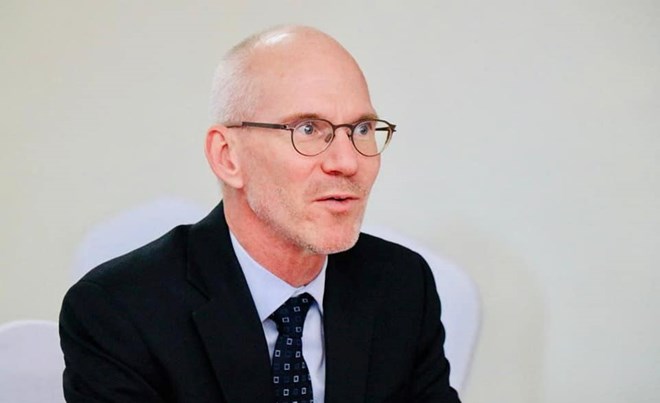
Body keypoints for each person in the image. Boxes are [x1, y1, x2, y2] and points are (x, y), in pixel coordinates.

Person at [59, 25, 461, 403]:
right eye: (308, 129)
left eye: (362, 129)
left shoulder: (401, 284)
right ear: (227, 156)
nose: (347, 162)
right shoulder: (118, 312)